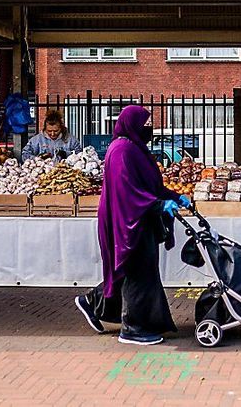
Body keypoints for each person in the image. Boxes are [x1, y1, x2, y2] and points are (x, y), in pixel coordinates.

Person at [74, 105, 191, 345]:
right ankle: (133, 329)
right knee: (138, 270)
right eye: (145, 124)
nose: (149, 128)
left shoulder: (136, 149)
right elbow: (128, 190)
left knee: (131, 268)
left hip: (138, 216)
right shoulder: (121, 150)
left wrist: (172, 196)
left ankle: (94, 302)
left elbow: (149, 185)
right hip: (126, 219)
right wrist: (159, 205)